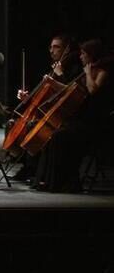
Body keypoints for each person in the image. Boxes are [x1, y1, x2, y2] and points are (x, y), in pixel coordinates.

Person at [32, 39, 112, 193]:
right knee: (52, 134)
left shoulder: (101, 72)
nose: (80, 57)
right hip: (79, 120)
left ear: (91, 55)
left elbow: (92, 91)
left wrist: (88, 74)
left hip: (92, 124)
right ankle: (46, 180)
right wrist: (53, 83)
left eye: (83, 54)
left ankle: (65, 183)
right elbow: (71, 90)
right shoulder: (86, 70)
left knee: (59, 137)